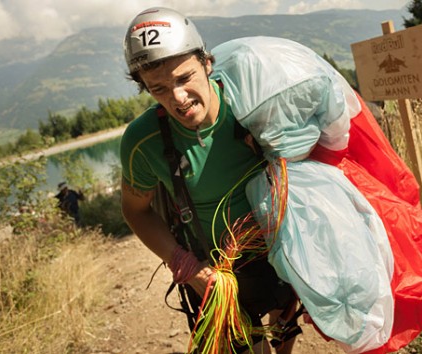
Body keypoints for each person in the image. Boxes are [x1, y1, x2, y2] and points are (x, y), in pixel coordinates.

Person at [120, 7, 296, 354]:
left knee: (284, 327)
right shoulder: (143, 142)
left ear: (207, 62)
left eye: (185, 78)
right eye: (159, 89)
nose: (178, 99)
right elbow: (136, 211)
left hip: (278, 255)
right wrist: (187, 267)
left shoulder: (251, 103)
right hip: (212, 270)